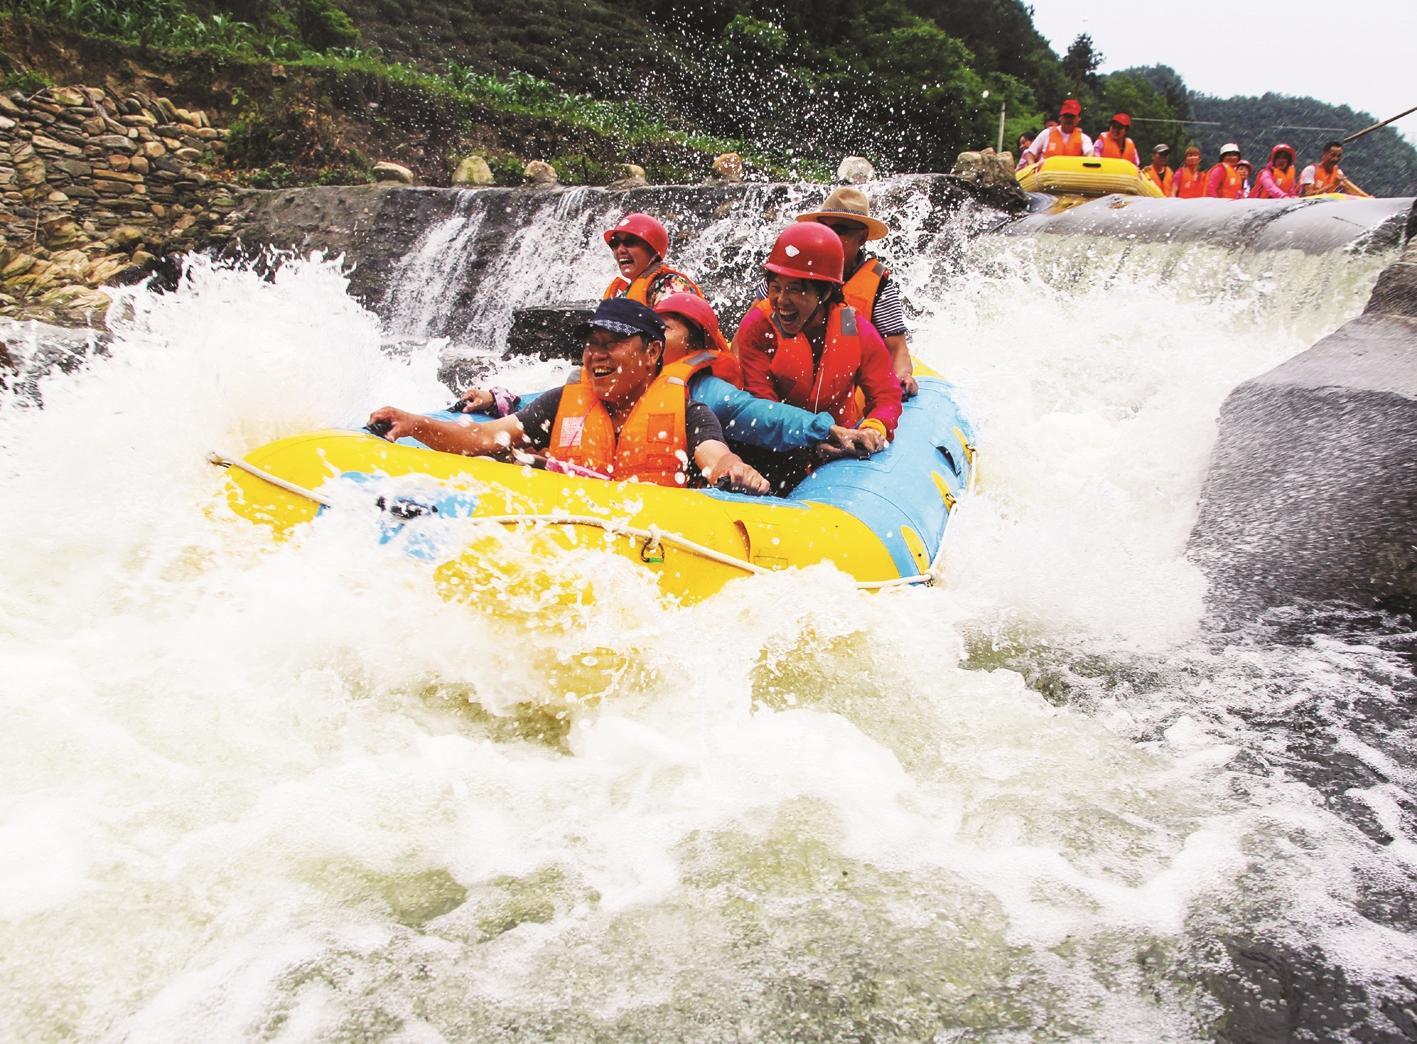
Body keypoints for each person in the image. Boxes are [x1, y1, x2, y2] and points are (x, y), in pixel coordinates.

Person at [369, 298, 769, 493]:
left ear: (651, 353)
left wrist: (734, 471)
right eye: (591, 343)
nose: (595, 354)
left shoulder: (687, 410)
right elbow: (483, 439)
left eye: (612, 343)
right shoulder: (561, 402)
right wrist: (415, 424)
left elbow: (716, 456)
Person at [734, 223, 903, 487]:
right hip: (776, 450)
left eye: (794, 289)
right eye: (776, 287)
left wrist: (874, 428)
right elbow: (762, 407)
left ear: (824, 292)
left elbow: (886, 393)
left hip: (842, 446)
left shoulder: (854, 327)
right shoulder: (759, 326)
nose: (780, 300)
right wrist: (812, 444)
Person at [777, 187, 917, 397]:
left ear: (861, 238)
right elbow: (753, 324)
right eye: (824, 227)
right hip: (786, 376)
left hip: (846, 387)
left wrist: (903, 376)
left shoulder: (878, 284)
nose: (829, 235)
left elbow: (897, 348)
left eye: (840, 230)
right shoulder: (792, 265)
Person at [600, 213, 703, 305]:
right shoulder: (624, 295)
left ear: (653, 249)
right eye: (615, 243)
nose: (620, 250)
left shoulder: (672, 285)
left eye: (630, 242)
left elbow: (676, 326)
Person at [1020, 99, 1092, 166]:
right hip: (1047, 176)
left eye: (1072, 117)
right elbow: (1030, 154)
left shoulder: (1084, 138)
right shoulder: (1047, 133)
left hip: (1071, 176)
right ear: (1060, 117)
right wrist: (1033, 168)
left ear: (1078, 119)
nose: (1068, 119)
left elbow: (1090, 153)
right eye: (1066, 116)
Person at [1300, 141, 1371, 197]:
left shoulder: (1338, 173)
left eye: (1339, 156)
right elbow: (1308, 195)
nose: (1335, 159)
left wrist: (1368, 198)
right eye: (1333, 155)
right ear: (1324, 154)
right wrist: (1332, 185)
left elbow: (1351, 189)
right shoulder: (1311, 170)